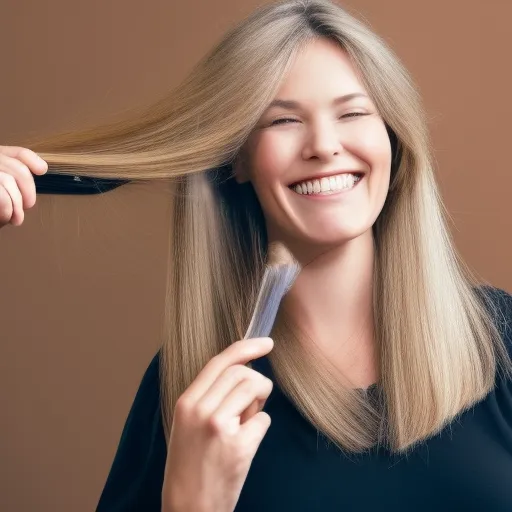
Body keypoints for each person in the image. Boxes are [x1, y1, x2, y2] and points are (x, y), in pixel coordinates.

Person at [2, 0, 512, 510]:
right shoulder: (191, 396)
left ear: (393, 138)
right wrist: (190, 501)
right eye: (283, 121)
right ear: (238, 157)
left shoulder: (501, 337)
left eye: (354, 112)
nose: (324, 145)